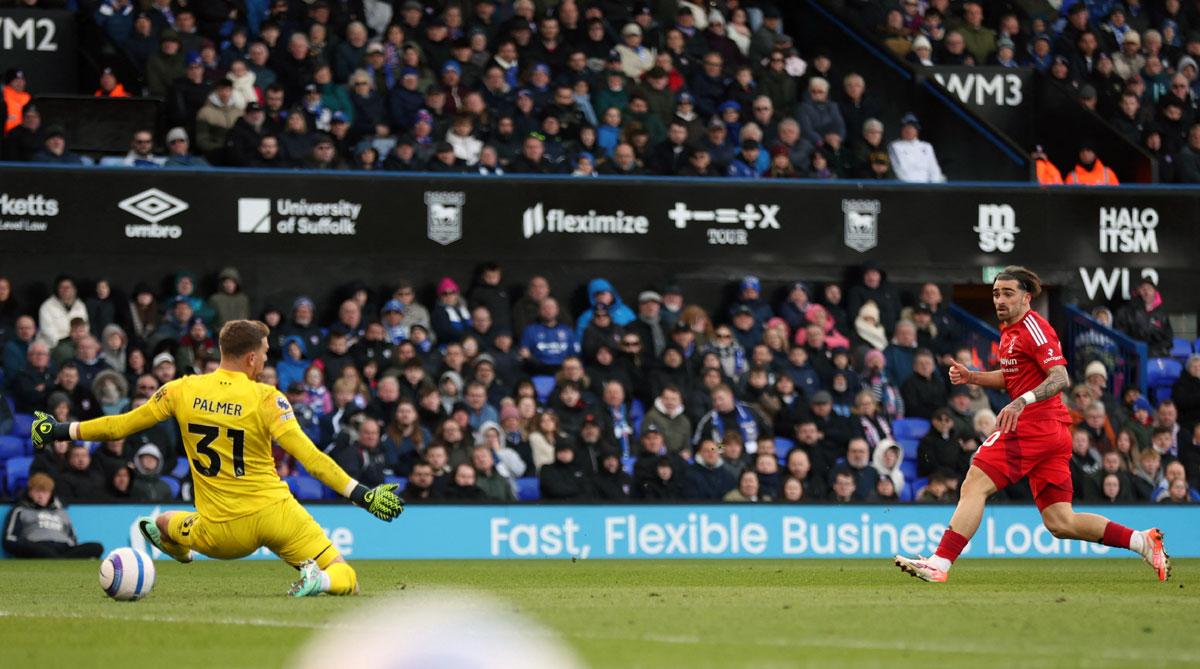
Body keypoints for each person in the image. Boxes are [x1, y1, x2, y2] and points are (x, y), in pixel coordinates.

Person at [30, 320, 403, 597]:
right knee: (345, 577)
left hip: (221, 533)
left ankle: (181, 548)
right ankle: (317, 579)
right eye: (266, 353)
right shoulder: (268, 398)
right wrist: (362, 495)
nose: (267, 359)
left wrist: (60, 430)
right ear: (253, 357)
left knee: (160, 519)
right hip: (276, 513)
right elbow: (312, 459)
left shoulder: (182, 389)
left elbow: (118, 427)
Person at [895, 266, 1169, 583]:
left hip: (1034, 426)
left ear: (1027, 297)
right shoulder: (1010, 332)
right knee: (1061, 521)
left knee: (974, 484)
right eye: (996, 293)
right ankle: (1142, 541)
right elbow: (1011, 377)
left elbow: (1060, 377)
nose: (1000, 299)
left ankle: (939, 563)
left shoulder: (1033, 328)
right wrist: (973, 377)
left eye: (1008, 293)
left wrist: (1023, 400)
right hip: (1051, 432)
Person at [2, 473, 104, 559]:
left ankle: (58, 561)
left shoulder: (62, 512)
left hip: (64, 547)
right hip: (38, 545)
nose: (41, 496)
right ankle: (61, 562)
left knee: (97, 547)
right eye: (37, 491)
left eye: (45, 492)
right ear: (30, 492)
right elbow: (9, 539)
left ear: (51, 494)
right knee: (40, 550)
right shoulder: (21, 510)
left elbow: (73, 540)